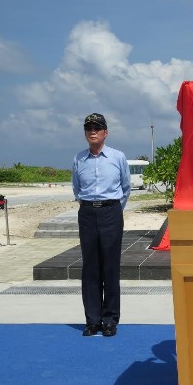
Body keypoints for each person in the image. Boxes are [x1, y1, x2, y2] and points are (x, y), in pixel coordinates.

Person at [72, 113, 131, 337]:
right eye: (88, 127)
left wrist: (113, 209)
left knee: (110, 267)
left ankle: (109, 320)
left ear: (105, 132)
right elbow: (77, 189)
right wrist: (90, 206)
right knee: (90, 268)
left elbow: (125, 188)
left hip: (111, 213)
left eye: (97, 127)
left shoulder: (118, 157)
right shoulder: (78, 159)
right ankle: (93, 321)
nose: (92, 131)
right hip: (87, 213)